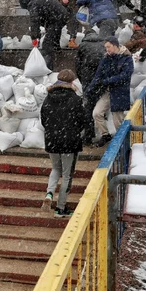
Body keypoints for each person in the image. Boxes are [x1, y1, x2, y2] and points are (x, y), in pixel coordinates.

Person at [40, 69, 85, 218]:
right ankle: (60, 208)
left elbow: (44, 120)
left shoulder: (48, 98)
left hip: (52, 140)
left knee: (55, 169)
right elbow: (82, 121)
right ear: (72, 82)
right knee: (67, 175)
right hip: (69, 141)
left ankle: (49, 193)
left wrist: (53, 131)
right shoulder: (76, 99)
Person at [85, 36, 134, 148]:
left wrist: (108, 81)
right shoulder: (106, 59)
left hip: (119, 92)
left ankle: (123, 142)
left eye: (109, 47)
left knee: (118, 120)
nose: (107, 49)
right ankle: (105, 134)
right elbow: (98, 76)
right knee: (96, 113)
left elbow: (125, 76)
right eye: (106, 47)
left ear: (115, 45)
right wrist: (89, 90)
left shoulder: (126, 58)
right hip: (107, 91)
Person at [19, 0, 68, 70]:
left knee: (46, 45)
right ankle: (57, 50)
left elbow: (34, 21)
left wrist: (34, 37)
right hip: (60, 15)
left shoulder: (33, 4)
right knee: (54, 37)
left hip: (57, 18)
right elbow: (46, 13)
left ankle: (47, 68)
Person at [75, 30, 106, 145]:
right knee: (101, 106)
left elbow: (77, 65)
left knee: (88, 107)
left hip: (88, 80)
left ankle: (89, 134)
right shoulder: (103, 44)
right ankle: (103, 133)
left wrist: (82, 79)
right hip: (101, 79)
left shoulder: (82, 46)